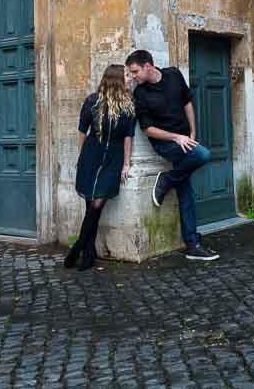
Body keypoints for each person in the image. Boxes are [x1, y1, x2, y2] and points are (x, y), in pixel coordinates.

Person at [125, 49, 219, 261]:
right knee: (203, 155)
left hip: (185, 140)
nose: (133, 77)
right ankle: (166, 180)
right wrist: (176, 138)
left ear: (148, 66)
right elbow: (147, 129)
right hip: (165, 144)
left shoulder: (174, 75)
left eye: (135, 71)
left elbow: (187, 102)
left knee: (185, 190)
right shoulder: (140, 93)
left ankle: (192, 243)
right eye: (130, 73)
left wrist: (192, 133)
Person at [64, 64, 136, 271]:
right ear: (115, 80)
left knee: (96, 205)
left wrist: (126, 163)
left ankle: (77, 247)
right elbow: (81, 130)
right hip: (91, 154)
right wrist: (80, 156)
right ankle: (89, 252)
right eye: (126, 75)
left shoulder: (129, 104)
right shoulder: (91, 102)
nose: (130, 78)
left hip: (113, 159)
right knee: (90, 206)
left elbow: (128, 136)